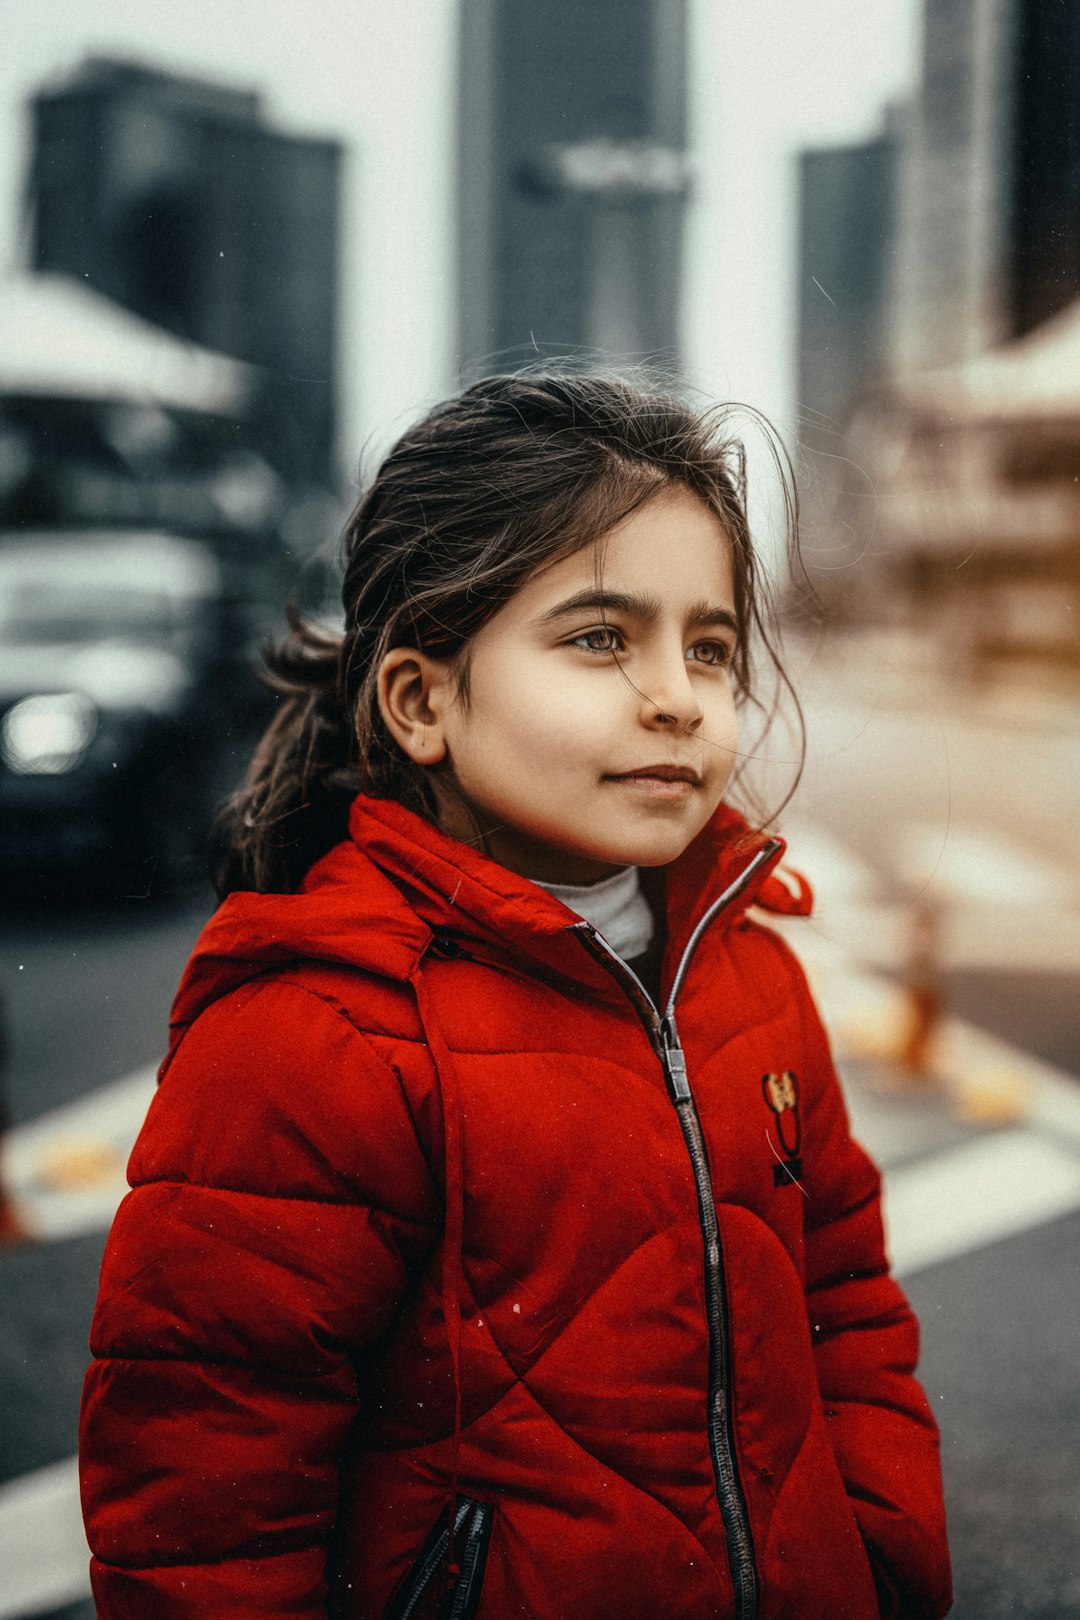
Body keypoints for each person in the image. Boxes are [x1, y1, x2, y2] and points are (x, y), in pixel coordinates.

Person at [79, 373, 952, 1619]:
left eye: (708, 644)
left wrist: (882, 1551)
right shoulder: (323, 1031)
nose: (677, 693)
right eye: (602, 636)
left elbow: (847, 1306)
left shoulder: (749, 970)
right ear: (423, 701)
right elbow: (205, 1482)